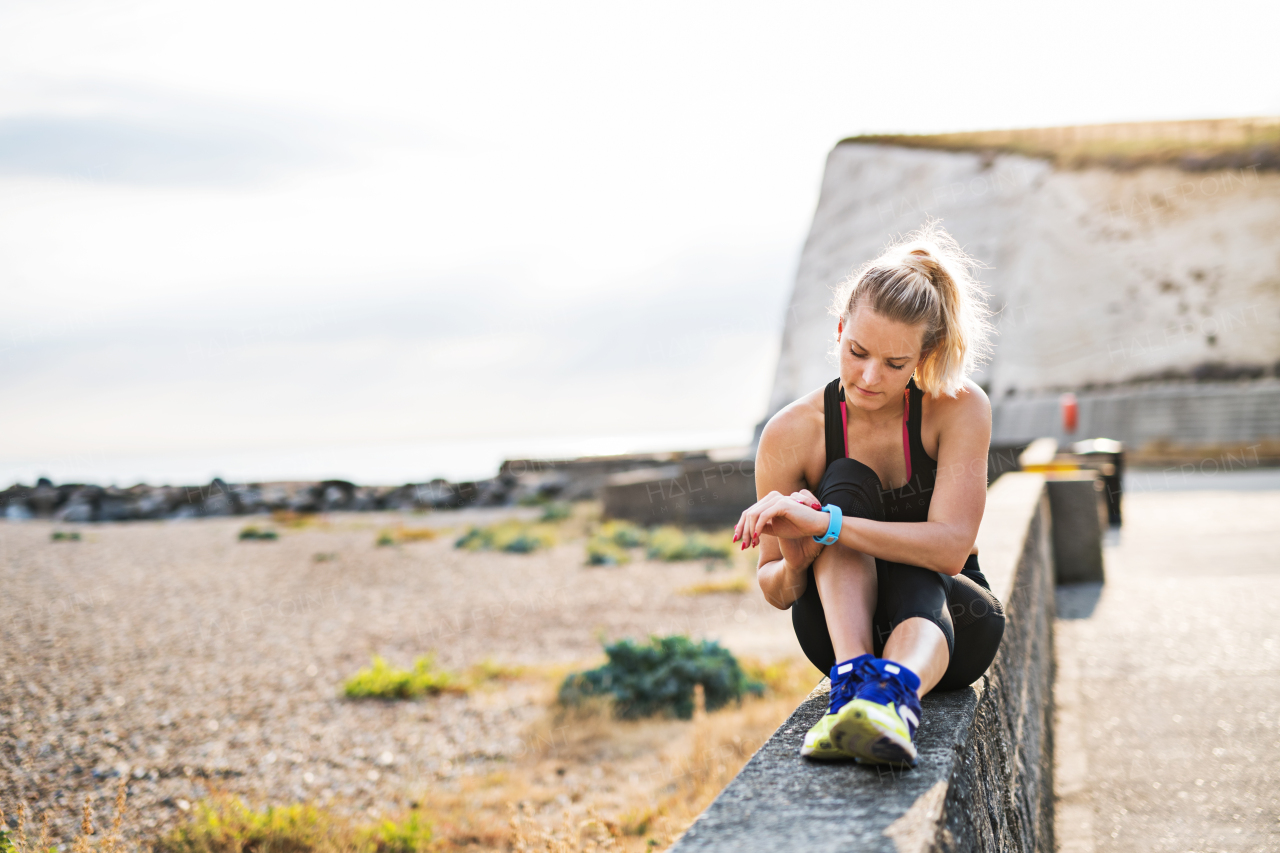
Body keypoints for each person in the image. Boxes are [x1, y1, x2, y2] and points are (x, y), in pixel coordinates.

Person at [734, 221, 1005, 767]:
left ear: (924, 358)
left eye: (895, 364)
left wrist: (826, 526)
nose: (869, 377)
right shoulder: (793, 433)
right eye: (857, 351)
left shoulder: (958, 406)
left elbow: (950, 548)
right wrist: (796, 553)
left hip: (953, 625)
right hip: (836, 632)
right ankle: (856, 689)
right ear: (839, 331)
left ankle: (889, 697)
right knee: (846, 481)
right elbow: (776, 588)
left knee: (904, 552)